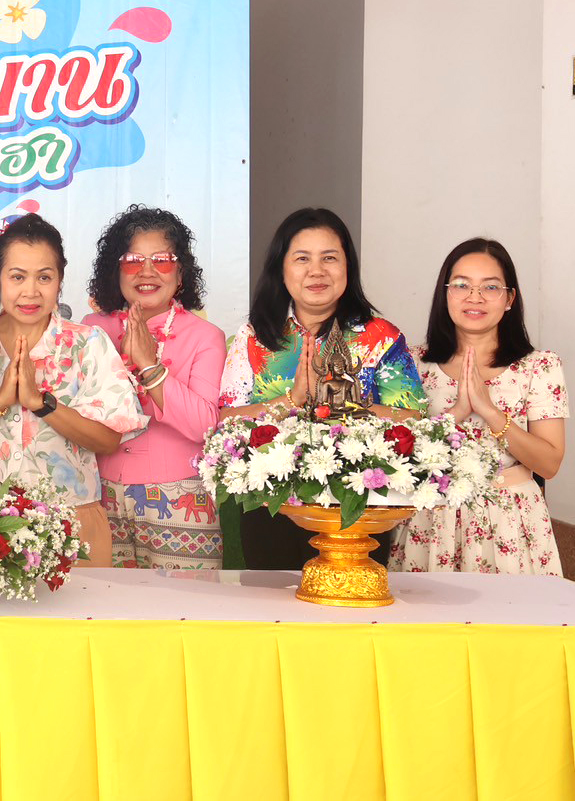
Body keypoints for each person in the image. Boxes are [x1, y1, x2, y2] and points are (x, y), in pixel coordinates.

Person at [218, 207, 424, 568]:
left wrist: (349, 404)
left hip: (358, 506)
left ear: (348, 267)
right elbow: (227, 420)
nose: (316, 271)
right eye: (302, 258)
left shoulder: (381, 338)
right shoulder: (254, 337)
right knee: (273, 601)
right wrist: (293, 400)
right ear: (281, 269)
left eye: (329, 258)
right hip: (271, 505)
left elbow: (414, 421)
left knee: (351, 598)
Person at [0, 214, 145, 567]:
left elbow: (108, 440)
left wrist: (41, 403)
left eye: (44, 277)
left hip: (73, 525)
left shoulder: (87, 343)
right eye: (17, 276)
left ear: (60, 280)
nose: (31, 291)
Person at [391, 239, 566, 575]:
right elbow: (397, 458)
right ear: (445, 294)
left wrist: (490, 412)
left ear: (509, 299)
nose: (475, 297)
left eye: (491, 286)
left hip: (513, 520)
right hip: (431, 519)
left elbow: (549, 464)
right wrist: (457, 412)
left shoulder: (539, 366)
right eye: (461, 285)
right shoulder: (411, 363)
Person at [83, 206, 227, 569]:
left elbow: (205, 425)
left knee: (185, 604)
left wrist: (150, 366)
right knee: (102, 601)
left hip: (180, 496)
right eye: (133, 260)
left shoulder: (205, 336)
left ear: (181, 273)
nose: (147, 271)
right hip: (99, 494)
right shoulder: (92, 329)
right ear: (116, 270)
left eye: (162, 260)